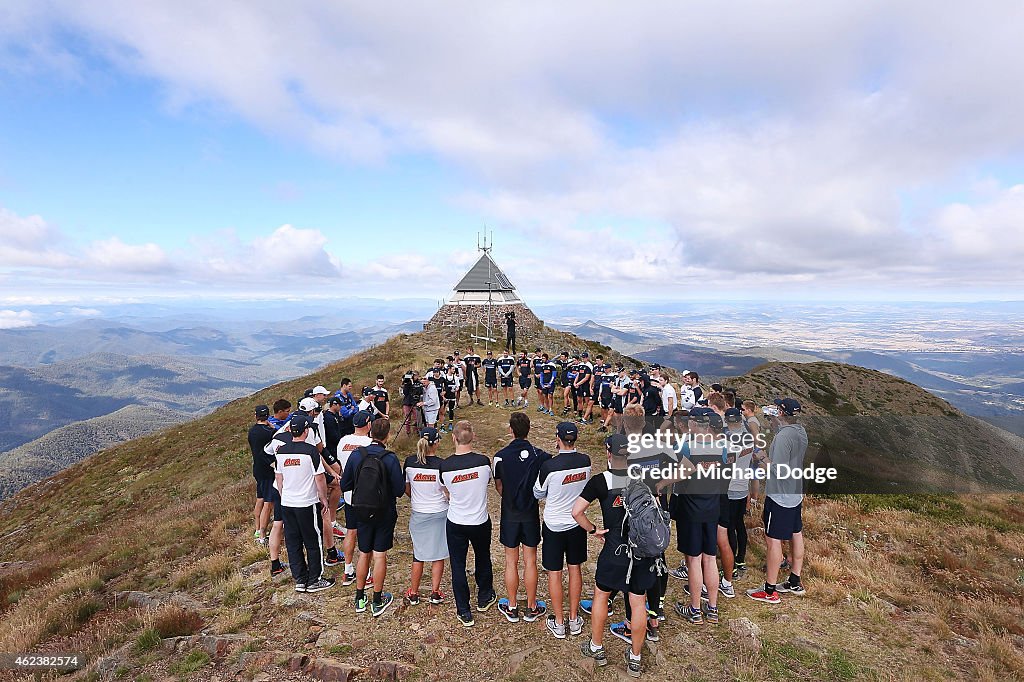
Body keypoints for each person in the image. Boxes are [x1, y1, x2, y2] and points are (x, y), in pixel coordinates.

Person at [574, 434, 654, 677]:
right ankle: (636, 657)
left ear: (608, 453)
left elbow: (576, 511)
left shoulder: (600, 481)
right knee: (638, 602)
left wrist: (594, 530)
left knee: (601, 595)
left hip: (614, 550)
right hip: (641, 551)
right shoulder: (643, 478)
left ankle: (596, 647)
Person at [340, 417, 405, 617]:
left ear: (370, 433)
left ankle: (359, 597)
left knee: (364, 552)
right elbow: (400, 490)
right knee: (380, 555)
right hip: (384, 511)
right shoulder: (390, 458)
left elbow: (345, 485)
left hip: (361, 510)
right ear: (388, 435)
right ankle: (377, 600)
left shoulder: (357, 455)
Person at [534, 422, 592, 639]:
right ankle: (574, 618)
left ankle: (559, 621)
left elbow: (538, 493)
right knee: (575, 568)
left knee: (555, 572)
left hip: (554, 524)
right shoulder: (585, 460)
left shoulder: (549, 466)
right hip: (576, 522)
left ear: (557, 438)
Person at [747, 398, 808, 603]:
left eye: (776, 409)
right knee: (795, 532)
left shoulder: (783, 438)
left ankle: (769, 590)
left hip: (780, 495)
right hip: (795, 492)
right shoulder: (800, 431)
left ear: (781, 413)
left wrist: (762, 458)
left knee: (773, 539)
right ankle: (794, 580)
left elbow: (777, 472)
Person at [439, 420, 497, 627]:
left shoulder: (444, 466)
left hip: (456, 520)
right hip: (479, 519)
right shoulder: (483, 462)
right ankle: (484, 596)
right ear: (473, 437)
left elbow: (444, 490)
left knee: (458, 565)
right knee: (483, 557)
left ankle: (463, 610)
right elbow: (487, 482)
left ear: (453, 438)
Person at [670, 409, 726, 625]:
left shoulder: (687, 444)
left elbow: (676, 467)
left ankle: (694, 609)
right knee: (709, 558)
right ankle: (712, 608)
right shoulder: (720, 445)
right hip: (712, 506)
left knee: (694, 559)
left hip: (690, 507)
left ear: (693, 423)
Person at [493, 412, 550, 623]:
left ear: (510, 430)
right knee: (530, 561)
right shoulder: (540, 455)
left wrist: (509, 497)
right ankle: (532, 606)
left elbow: (499, 485)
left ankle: (513, 605)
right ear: (529, 429)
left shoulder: (500, 456)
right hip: (530, 512)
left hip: (510, 512)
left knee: (510, 561)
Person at [275, 414, 335, 593]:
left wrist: (283, 495)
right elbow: (320, 479)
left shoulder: (282, 451)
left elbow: (279, 478)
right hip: (307, 503)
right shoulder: (310, 451)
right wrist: (323, 499)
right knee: (312, 540)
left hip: (287, 502)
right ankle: (315, 579)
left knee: (293, 542)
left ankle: (300, 579)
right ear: (306, 431)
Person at [403, 428, 448, 605]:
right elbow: (446, 490)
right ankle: (435, 592)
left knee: (419, 554)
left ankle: (413, 592)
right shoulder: (442, 465)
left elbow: (406, 487)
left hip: (419, 512)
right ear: (436, 443)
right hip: (439, 512)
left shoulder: (409, 463)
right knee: (438, 554)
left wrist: (415, 498)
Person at [336, 411, 373, 585]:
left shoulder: (343, 441)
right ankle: (366, 573)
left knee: (351, 531)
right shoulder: (369, 443)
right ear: (368, 424)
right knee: (366, 533)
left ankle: (348, 569)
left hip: (349, 494)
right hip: (366, 495)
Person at [722, 408, 754, 582]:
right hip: (742, 486)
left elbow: (727, 461)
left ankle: (731, 565)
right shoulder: (748, 437)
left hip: (730, 487)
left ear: (727, 421)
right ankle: (740, 559)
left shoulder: (728, 439)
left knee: (729, 528)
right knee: (739, 524)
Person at [249, 405, 277, 546]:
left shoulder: (252, 431)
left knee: (260, 499)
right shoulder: (270, 432)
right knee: (268, 502)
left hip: (257, 469)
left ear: (256, 416)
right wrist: (273, 428)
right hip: (268, 470)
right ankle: (262, 534)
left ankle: (257, 529)